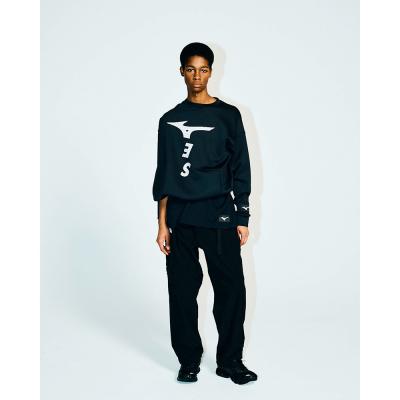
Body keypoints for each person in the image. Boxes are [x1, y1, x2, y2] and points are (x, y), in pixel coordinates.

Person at [152, 42, 257, 385]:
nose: (197, 75)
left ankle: (230, 361)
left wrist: (242, 216)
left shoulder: (228, 116)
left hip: (219, 216)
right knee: (182, 293)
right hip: (181, 219)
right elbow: (165, 174)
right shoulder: (169, 120)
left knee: (231, 291)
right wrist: (161, 224)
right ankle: (188, 360)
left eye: (204, 69)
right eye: (191, 69)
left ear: (211, 72)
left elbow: (241, 166)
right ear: (182, 71)